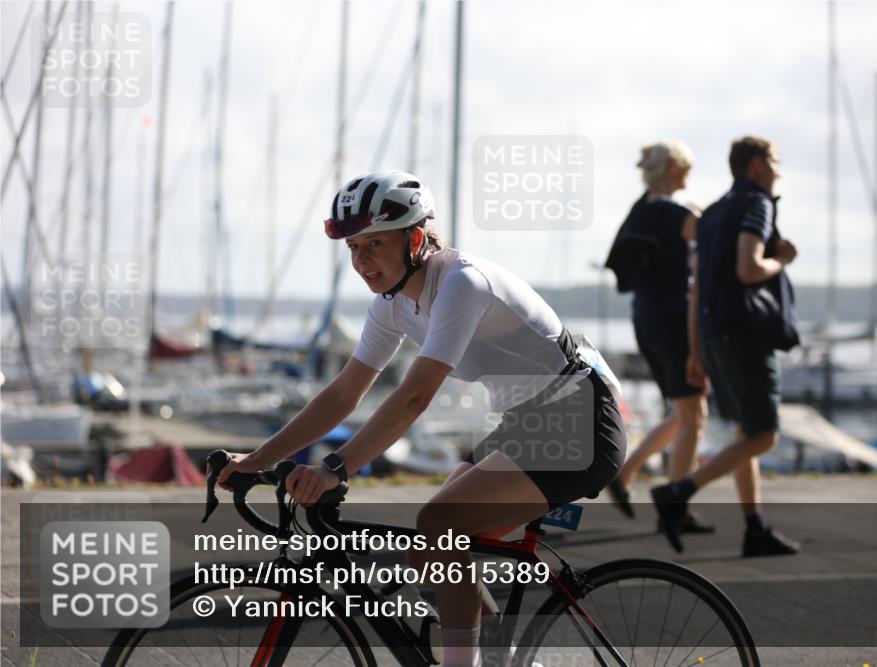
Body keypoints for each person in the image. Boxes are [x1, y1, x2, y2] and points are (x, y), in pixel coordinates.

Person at [218, 171, 626, 667]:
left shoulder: (461, 283)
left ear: (415, 238)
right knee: (428, 551)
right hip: (529, 421)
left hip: (578, 419)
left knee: (438, 525)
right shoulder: (391, 306)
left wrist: (335, 469)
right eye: (352, 248)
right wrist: (258, 459)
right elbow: (344, 393)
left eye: (374, 244)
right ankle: (500, 660)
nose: (361, 260)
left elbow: (414, 398)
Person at [652, 136, 801, 557]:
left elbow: (696, 288)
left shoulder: (713, 213)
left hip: (714, 333)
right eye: (774, 159)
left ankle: (755, 528)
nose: (779, 168)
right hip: (746, 335)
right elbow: (750, 268)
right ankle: (679, 491)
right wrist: (783, 261)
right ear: (756, 166)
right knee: (765, 436)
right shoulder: (758, 204)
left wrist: (697, 352)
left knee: (745, 432)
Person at [603, 140, 712, 534]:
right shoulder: (676, 212)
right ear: (670, 168)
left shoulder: (641, 210)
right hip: (672, 317)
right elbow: (706, 234)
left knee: (684, 411)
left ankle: (626, 474)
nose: (688, 176)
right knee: (694, 415)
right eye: (685, 168)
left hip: (646, 315)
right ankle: (675, 505)